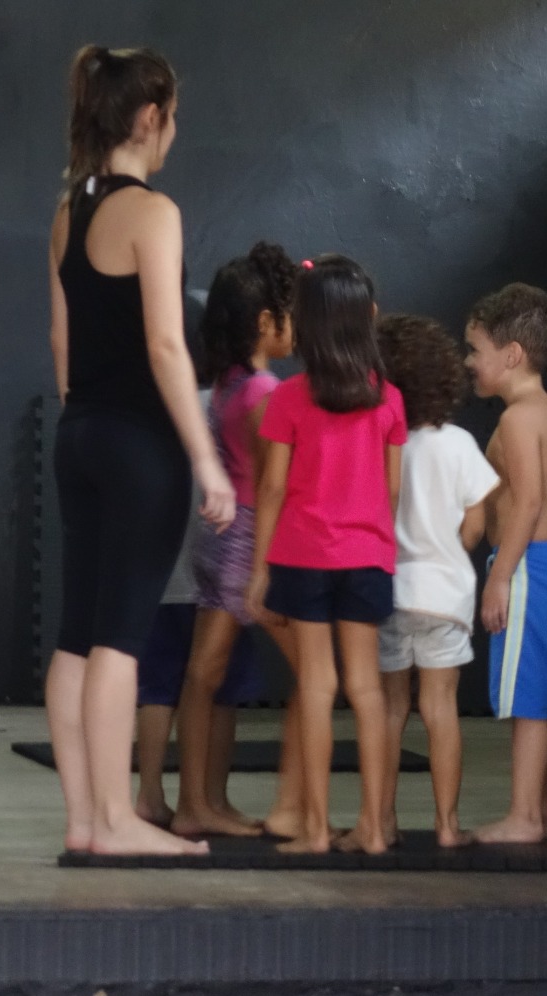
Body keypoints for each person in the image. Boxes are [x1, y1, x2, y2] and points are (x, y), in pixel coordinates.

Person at [45, 45, 233, 857]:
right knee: (120, 637)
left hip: (80, 435)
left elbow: (62, 342)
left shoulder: (68, 212)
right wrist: (205, 458)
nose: (174, 134)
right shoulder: (154, 213)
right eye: (174, 118)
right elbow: (165, 344)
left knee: (76, 637)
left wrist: (88, 419)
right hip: (138, 447)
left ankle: (85, 820)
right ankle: (119, 821)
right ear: (149, 117)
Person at [246, 254, 407, 855]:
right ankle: (373, 830)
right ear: (367, 318)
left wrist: (260, 570)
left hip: (303, 554)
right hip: (368, 557)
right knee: (367, 689)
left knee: (317, 686)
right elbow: (392, 489)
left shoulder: (288, 399)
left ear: (306, 324)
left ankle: (314, 830)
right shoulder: (389, 399)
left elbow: (271, 489)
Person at [170, 242, 305, 838]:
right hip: (249, 542)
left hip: (224, 540)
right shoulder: (263, 392)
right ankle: (221, 808)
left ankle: (205, 803)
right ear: (266, 322)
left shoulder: (232, 382)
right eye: (289, 315)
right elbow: (276, 483)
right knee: (311, 674)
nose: (296, 327)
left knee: (207, 673)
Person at [463, 283, 547, 845]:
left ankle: (524, 817)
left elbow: (530, 502)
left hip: (532, 568)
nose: (468, 361)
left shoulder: (517, 419)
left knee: (528, 702)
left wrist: (499, 577)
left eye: (475, 349)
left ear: (511, 354)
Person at [375, 314, 500, 848]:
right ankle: (447, 826)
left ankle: (381, 821)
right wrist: (448, 550)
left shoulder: (382, 444)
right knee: (440, 708)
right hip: (445, 597)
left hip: (389, 593)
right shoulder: (459, 444)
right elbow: (475, 526)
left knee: (389, 709)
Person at [134, 492, 265, 829]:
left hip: (161, 581)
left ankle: (150, 796)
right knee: (221, 689)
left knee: (157, 692)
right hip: (216, 582)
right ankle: (214, 799)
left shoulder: (161, 464)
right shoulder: (222, 468)